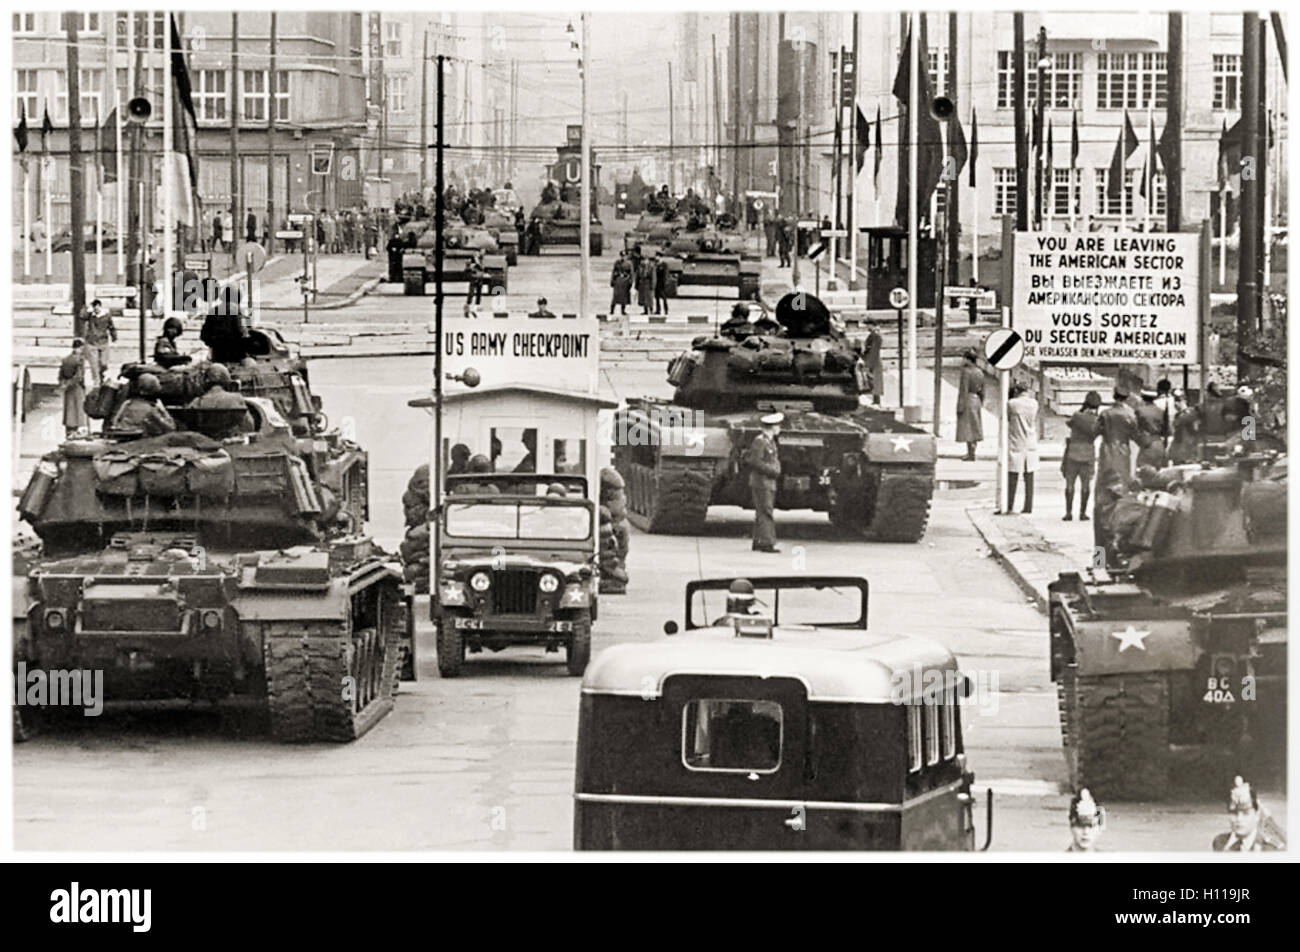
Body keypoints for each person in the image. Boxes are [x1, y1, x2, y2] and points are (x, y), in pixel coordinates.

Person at [1095, 387, 1141, 551]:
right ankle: (1115, 555)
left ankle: (1098, 561)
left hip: (1107, 455)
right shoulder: (1130, 415)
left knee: (1100, 514)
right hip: (1123, 455)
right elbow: (1136, 435)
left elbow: (1095, 430)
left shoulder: (1105, 413)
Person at [1212, 777, 1285, 851]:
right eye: (1234, 813)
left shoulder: (1272, 849)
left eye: (1246, 813)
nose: (1239, 819)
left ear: (1256, 815)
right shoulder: (1220, 843)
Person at [744, 412, 782, 553]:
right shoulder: (760, 441)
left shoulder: (769, 441)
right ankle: (767, 543)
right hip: (762, 482)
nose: (779, 428)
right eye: (778, 426)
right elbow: (754, 460)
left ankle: (758, 541)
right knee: (766, 511)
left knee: (762, 511)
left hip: (767, 482)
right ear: (772, 427)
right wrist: (772, 470)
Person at [1061, 391, 1101, 521]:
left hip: (1073, 451)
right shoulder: (1097, 420)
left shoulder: (1077, 416)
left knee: (1070, 483)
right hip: (1088, 452)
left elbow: (1069, 423)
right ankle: (1083, 513)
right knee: (1086, 485)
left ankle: (1068, 512)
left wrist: (1082, 409)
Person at [185, 363, 253, 437]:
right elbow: (249, 426)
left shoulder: (197, 402)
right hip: (230, 439)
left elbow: (187, 424)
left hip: (206, 440)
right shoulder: (237, 398)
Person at [1006, 383, 1040, 514]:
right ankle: (1028, 505)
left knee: (1013, 475)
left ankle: (1009, 505)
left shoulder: (1012, 403)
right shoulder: (1034, 403)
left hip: (1017, 440)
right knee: (1029, 475)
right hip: (1030, 441)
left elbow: (1008, 418)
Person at [109, 373, 176, 437]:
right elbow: (170, 428)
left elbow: (115, 421)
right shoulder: (151, 408)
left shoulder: (128, 403)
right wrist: (163, 411)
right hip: (143, 440)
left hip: (123, 436)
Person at [955, 349, 984, 461]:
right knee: (975, 427)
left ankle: (970, 453)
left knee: (968, 428)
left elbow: (963, 389)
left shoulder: (966, 372)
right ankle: (973, 452)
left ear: (968, 359)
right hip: (976, 399)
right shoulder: (979, 372)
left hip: (967, 399)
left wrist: (960, 406)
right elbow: (983, 390)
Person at [58, 339, 89, 438]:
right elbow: (79, 376)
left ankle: (69, 429)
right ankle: (80, 430)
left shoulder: (66, 359)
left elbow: (60, 374)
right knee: (79, 408)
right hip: (77, 387)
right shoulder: (80, 360)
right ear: (79, 348)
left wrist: (64, 384)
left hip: (67, 387)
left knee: (69, 408)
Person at [83, 299, 117, 383]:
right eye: (94, 307)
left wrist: (114, 337)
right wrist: (86, 308)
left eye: (97, 307)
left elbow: (112, 327)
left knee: (103, 363)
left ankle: (102, 375)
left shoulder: (106, 316)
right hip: (92, 343)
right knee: (94, 364)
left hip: (103, 342)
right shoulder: (90, 316)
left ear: (100, 306)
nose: (96, 309)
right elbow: (81, 316)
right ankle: (96, 381)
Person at [1135, 389, 1168, 469]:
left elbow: (1135, 429)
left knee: (1143, 471)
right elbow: (1166, 431)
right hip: (1159, 443)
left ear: (1143, 398)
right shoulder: (1161, 411)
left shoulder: (1139, 411)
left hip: (1146, 444)